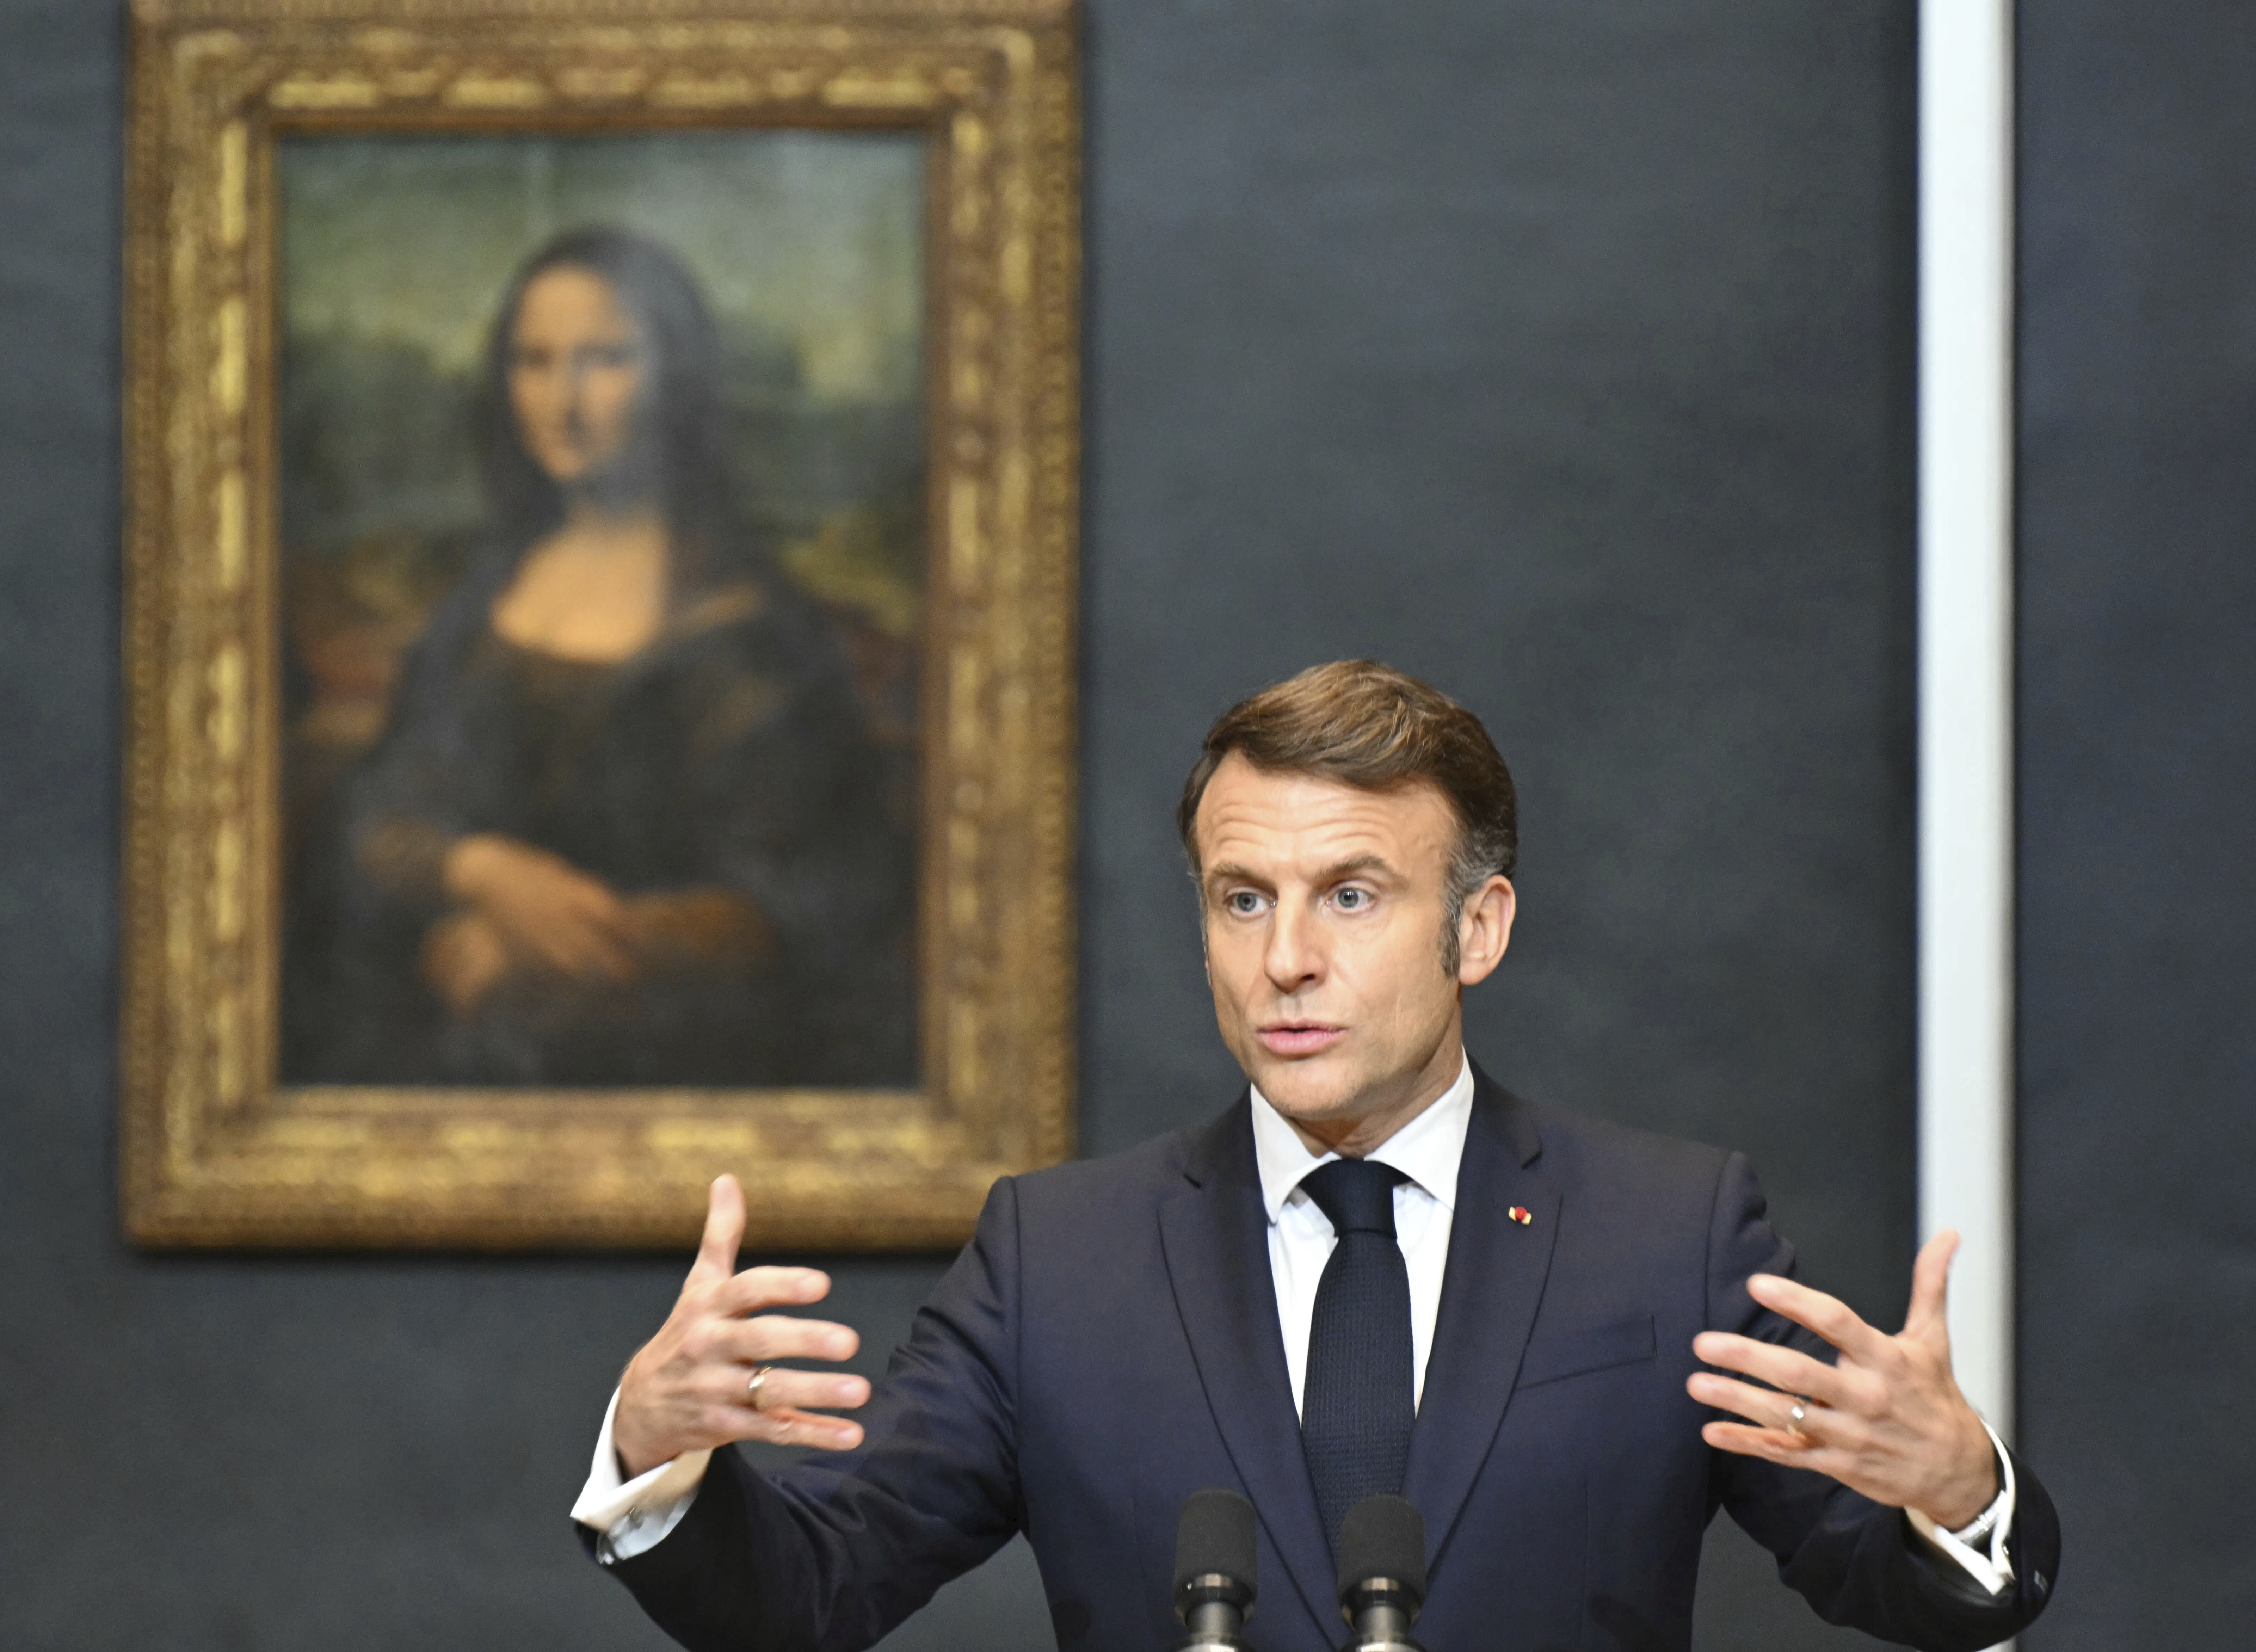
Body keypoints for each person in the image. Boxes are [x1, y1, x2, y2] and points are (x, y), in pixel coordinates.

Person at [570, 661, 2059, 1650]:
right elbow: (806, 1591)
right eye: (1239, 898)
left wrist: (1954, 1487)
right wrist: (656, 1459)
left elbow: (1892, 1581)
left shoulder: (1666, 1234)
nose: (1283, 957)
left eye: (1349, 894)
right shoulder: (1056, 1260)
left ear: (1475, 926)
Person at [300, 227, 911, 1088]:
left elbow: (804, 903)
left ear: (676, 379)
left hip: (683, 1069)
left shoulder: (751, 636)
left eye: (605, 359)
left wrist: (548, 946)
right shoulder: (486, 599)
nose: (563, 401)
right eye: (534, 361)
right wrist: (483, 872)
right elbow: (381, 810)